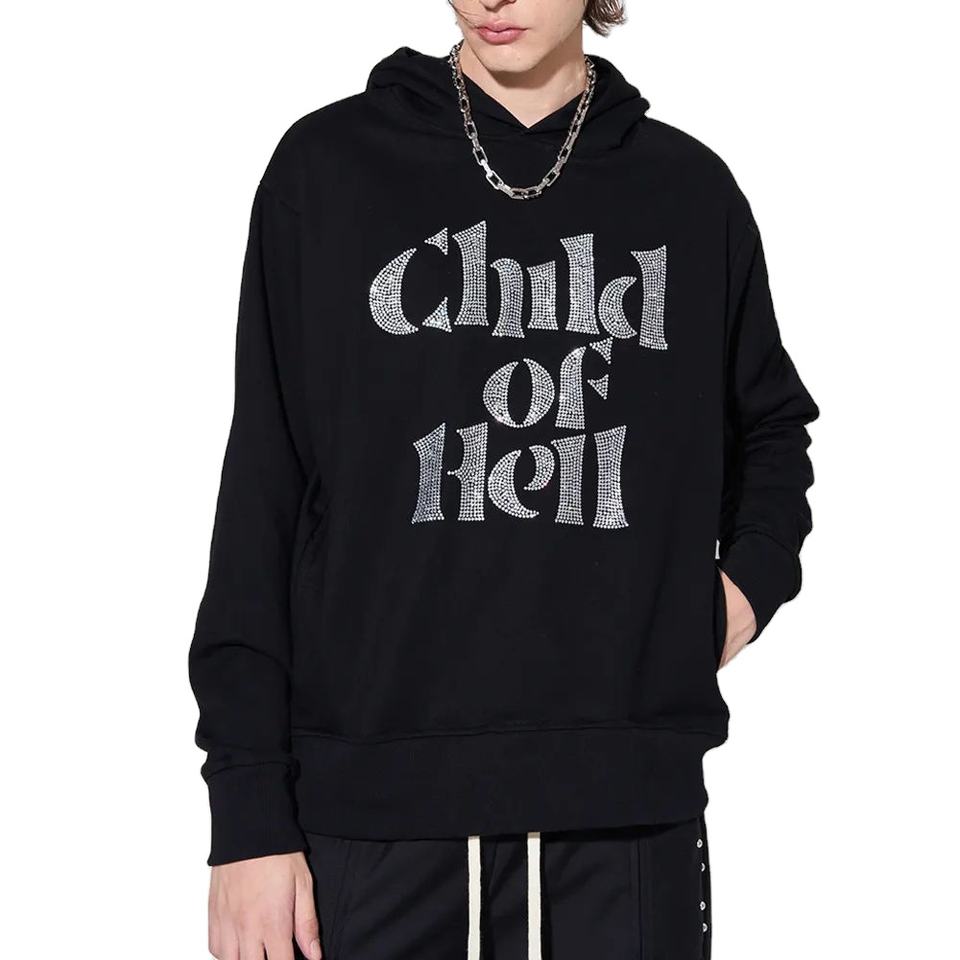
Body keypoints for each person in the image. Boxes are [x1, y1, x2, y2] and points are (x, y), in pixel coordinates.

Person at [189, 1, 819, 957]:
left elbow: (771, 426)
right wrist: (246, 815)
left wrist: (742, 590)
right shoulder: (328, 170)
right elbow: (263, 494)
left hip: (624, 829)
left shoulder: (688, 193)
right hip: (371, 824)